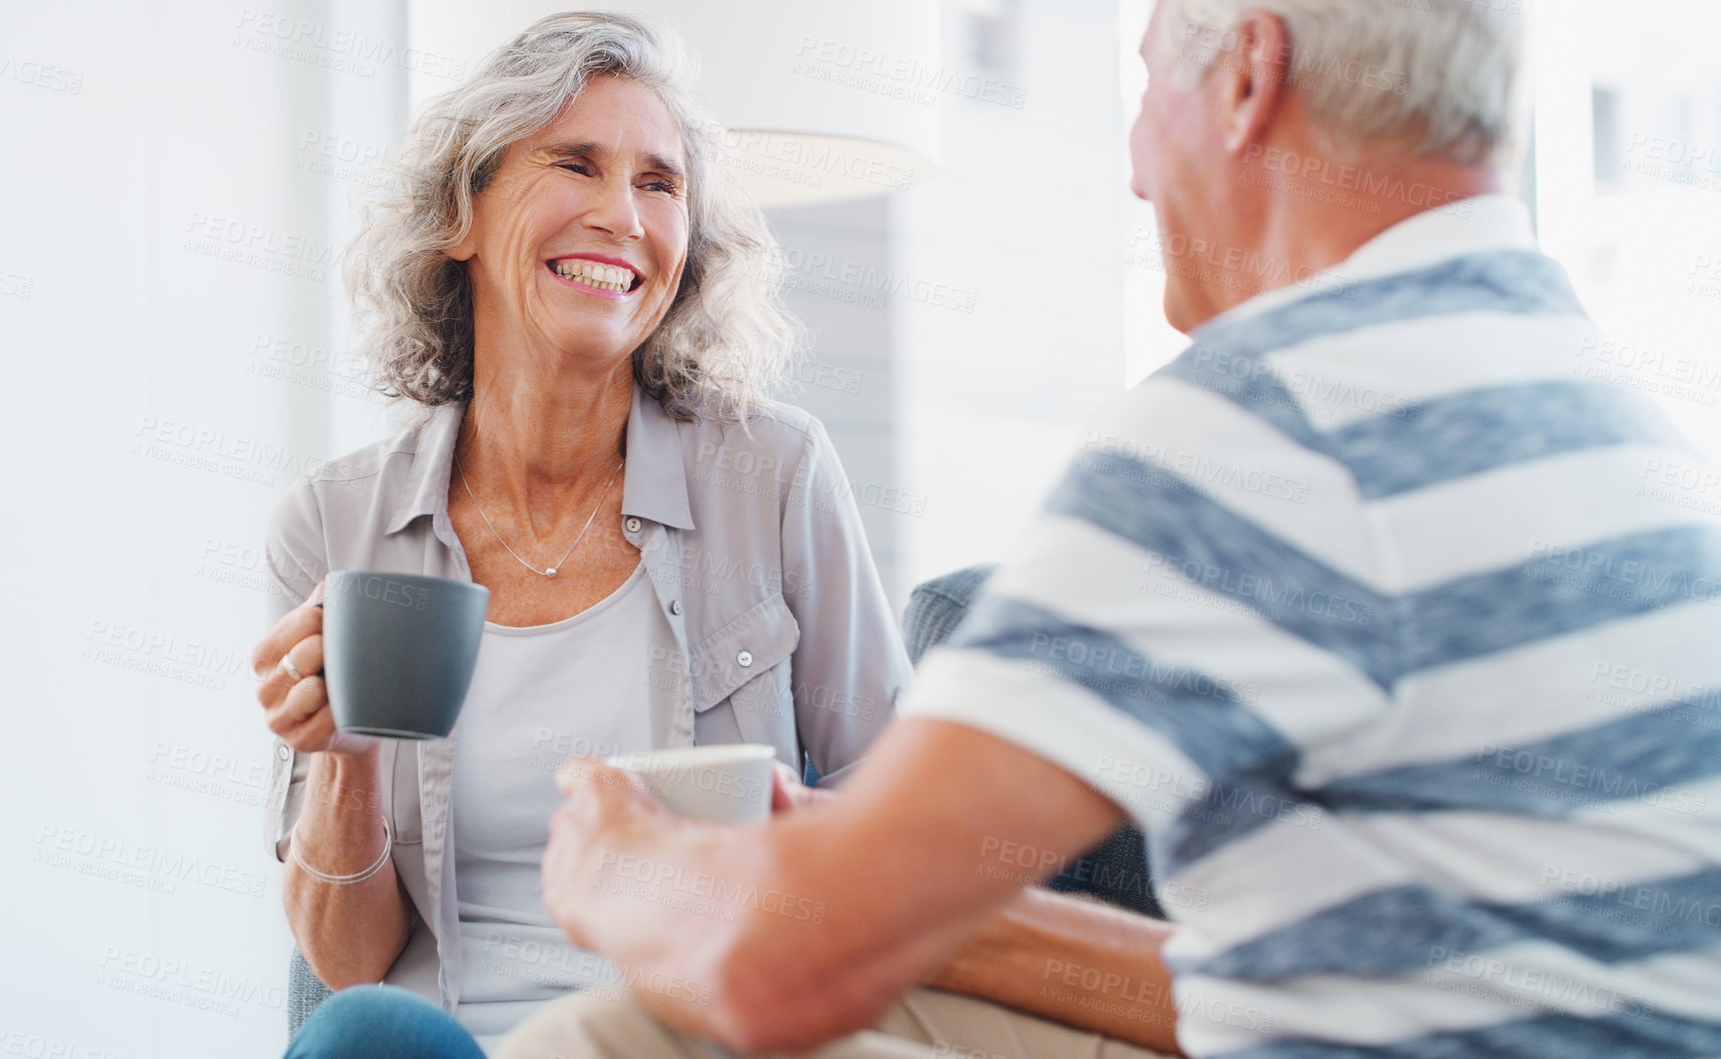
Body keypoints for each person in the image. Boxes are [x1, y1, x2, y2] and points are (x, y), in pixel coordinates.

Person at [504, 0, 1721, 1056]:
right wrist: (880, 870)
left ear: (1249, 76)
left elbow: (772, 973)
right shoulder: (1613, 421)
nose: (1136, 168)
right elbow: (1317, 980)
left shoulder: (1272, 420)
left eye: (1144, 87)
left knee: (611, 1036)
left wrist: (623, 866)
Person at [246, 11, 910, 1055]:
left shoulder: (773, 475)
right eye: (576, 164)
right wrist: (347, 759)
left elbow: (900, 833)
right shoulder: (335, 525)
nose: (622, 215)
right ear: (461, 215)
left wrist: (775, 866)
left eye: (660, 184)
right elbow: (344, 962)